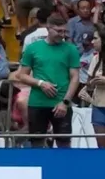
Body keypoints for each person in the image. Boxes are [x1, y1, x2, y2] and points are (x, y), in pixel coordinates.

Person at [15, 14, 80, 148]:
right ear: (48, 29)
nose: (62, 35)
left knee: (64, 143)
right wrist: (40, 83)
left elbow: (75, 77)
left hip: (61, 103)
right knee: (37, 143)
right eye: (59, 31)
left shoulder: (70, 49)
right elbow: (22, 75)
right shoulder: (33, 48)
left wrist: (65, 102)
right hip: (38, 103)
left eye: (64, 31)